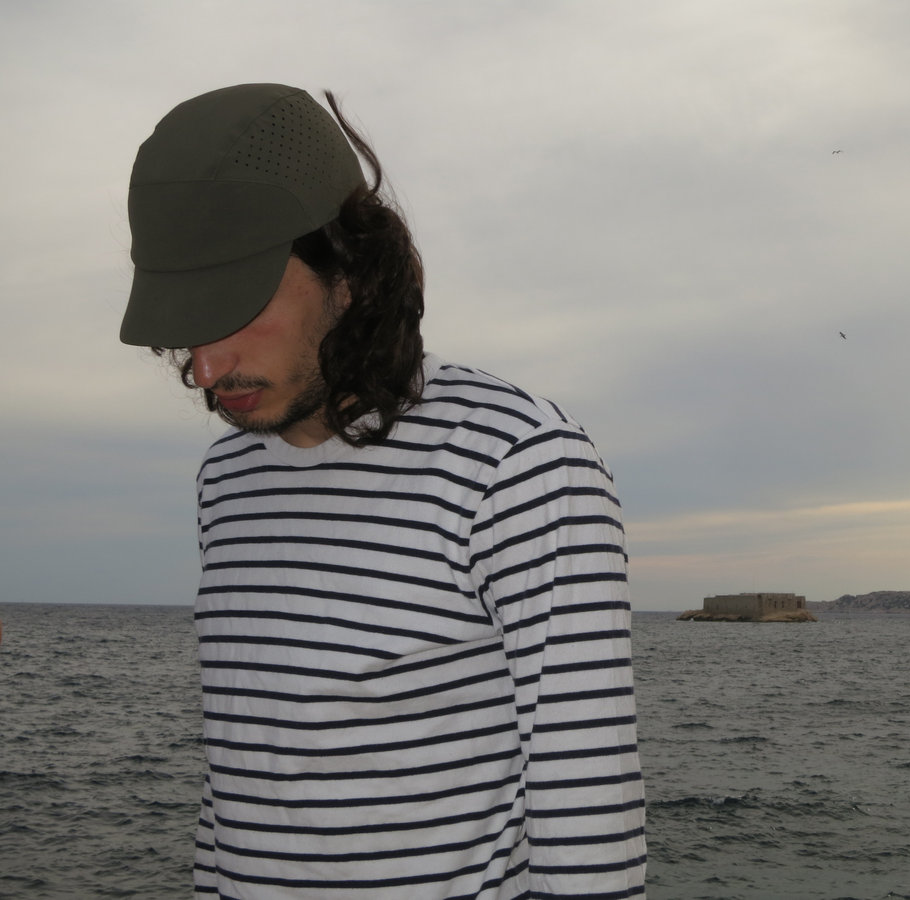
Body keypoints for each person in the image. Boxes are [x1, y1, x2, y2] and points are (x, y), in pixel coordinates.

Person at [120, 83, 646, 899]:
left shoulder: (516, 461)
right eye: (187, 322)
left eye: (237, 308)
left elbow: (588, 814)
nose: (207, 368)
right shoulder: (226, 478)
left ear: (352, 272)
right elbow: (238, 790)